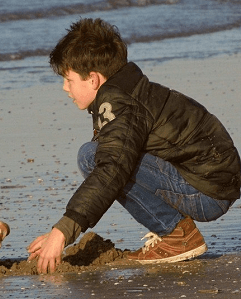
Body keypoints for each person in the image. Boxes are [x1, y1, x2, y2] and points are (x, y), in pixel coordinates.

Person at [27, 18, 241, 274]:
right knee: (103, 155)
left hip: (207, 193)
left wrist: (62, 231)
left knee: (91, 157)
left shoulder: (119, 105)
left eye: (69, 79)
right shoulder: (129, 90)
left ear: (93, 79)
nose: (65, 88)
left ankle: (177, 235)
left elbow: (112, 169)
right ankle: (176, 231)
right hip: (214, 182)